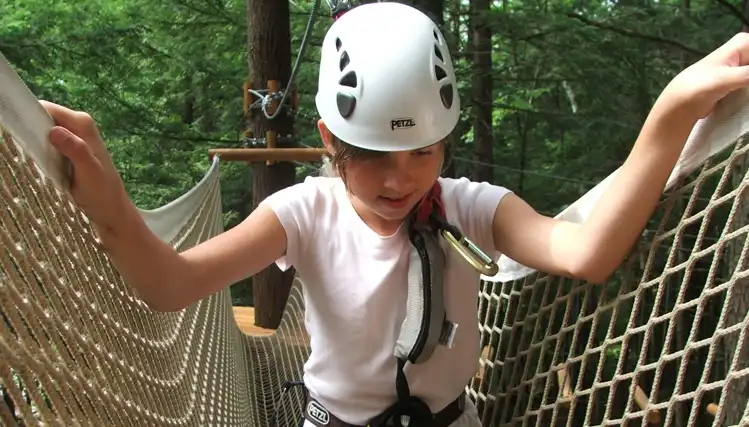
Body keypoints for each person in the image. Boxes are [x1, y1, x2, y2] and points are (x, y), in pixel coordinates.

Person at [38, 2, 749, 426]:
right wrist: (111, 205)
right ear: (329, 141)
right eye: (372, 154)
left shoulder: (470, 208)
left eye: (423, 152)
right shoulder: (303, 214)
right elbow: (171, 284)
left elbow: (585, 251)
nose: (399, 178)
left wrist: (671, 114)